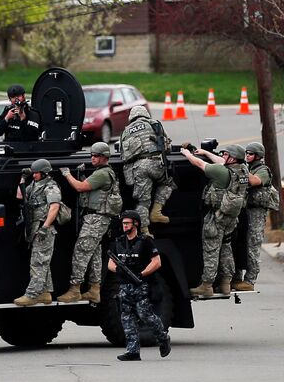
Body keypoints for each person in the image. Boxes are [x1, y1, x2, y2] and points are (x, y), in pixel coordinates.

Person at [57, 141, 122, 304]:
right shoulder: (102, 172)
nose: (92, 158)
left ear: (104, 157)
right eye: (91, 155)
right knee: (94, 254)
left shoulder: (102, 174)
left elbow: (80, 187)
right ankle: (94, 289)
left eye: (96, 155)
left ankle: (75, 290)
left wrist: (67, 174)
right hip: (98, 219)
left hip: (96, 220)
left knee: (81, 251)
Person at [181, 143, 250, 297]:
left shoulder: (220, 172)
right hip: (231, 219)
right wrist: (205, 151)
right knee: (226, 248)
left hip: (216, 218)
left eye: (226, 155)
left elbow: (199, 163)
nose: (223, 156)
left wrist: (186, 153)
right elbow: (220, 161)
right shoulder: (242, 170)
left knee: (211, 250)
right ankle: (226, 284)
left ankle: (206, 286)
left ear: (232, 158)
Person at [107, 210, 171, 361]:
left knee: (145, 315)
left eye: (127, 223)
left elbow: (157, 262)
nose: (124, 226)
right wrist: (118, 270)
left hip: (141, 285)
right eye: (123, 223)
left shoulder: (145, 241)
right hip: (124, 286)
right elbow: (111, 262)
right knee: (126, 317)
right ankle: (133, 351)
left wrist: (142, 274)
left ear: (136, 224)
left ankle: (163, 338)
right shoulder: (119, 242)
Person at [119, 105, 176, 234]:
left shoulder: (126, 131)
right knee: (168, 182)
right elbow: (166, 146)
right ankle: (156, 211)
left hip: (139, 168)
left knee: (143, 201)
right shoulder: (154, 124)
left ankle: (144, 230)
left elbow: (123, 155)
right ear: (145, 114)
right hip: (155, 164)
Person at [14, 158, 61, 306]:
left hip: (44, 229)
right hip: (35, 228)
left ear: (44, 173)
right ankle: (45, 293)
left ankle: (32, 294)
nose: (34, 175)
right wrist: (23, 178)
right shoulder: (35, 185)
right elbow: (19, 196)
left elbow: (54, 208)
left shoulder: (50, 187)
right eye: (33, 173)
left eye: (36, 173)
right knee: (41, 261)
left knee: (38, 263)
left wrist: (45, 227)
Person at [233, 142, 276, 291]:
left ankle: (250, 280)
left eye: (250, 154)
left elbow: (255, 181)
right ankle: (236, 277)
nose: (247, 156)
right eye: (246, 153)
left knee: (253, 245)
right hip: (244, 211)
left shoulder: (262, 170)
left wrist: (241, 168)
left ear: (258, 156)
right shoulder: (247, 167)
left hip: (256, 213)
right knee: (238, 242)